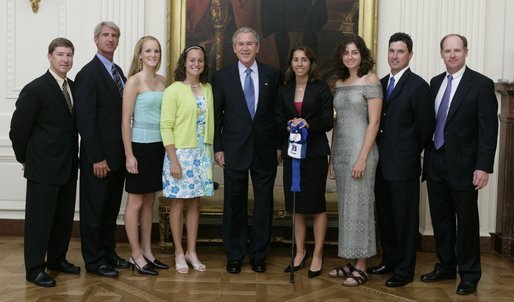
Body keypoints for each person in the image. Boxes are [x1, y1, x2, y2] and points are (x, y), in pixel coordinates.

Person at [420, 34, 498, 295]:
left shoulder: (481, 84)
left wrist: (483, 166)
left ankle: (469, 274)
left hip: (465, 166)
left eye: (457, 50)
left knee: (466, 222)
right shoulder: (435, 83)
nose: (452, 55)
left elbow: (488, 130)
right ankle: (445, 266)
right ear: (441, 54)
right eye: (447, 51)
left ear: (466, 52)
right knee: (440, 219)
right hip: (436, 161)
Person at [9, 37, 80, 287]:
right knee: (39, 221)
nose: (65, 59)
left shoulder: (73, 87)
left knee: (62, 218)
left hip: (69, 165)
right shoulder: (36, 88)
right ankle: (35, 269)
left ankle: (57, 260)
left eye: (69, 55)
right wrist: (26, 159)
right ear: (49, 56)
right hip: (42, 167)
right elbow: (18, 130)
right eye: (60, 54)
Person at [367, 32, 435, 287]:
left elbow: (425, 128)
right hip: (381, 164)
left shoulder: (418, 86)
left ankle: (405, 270)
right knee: (385, 216)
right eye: (391, 51)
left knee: (405, 220)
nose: (395, 56)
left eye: (400, 51)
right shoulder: (380, 83)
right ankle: (390, 260)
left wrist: (407, 150)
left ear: (410, 55)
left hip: (404, 164)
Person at [212, 27, 281, 274]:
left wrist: (278, 146)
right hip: (233, 150)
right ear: (233, 48)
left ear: (258, 47)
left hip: (265, 150)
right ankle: (234, 255)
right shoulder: (221, 77)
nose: (245, 48)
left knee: (264, 205)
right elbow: (217, 117)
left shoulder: (272, 75)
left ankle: (260, 255)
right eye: (240, 44)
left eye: (250, 44)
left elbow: (277, 114)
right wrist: (218, 148)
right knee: (234, 204)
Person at [75, 21, 129, 278]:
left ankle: (109, 253)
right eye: (105, 35)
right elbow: (85, 120)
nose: (110, 39)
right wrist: (96, 157)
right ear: (96, 40)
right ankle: (95, 261)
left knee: (110, 210)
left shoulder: (117, 71)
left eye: (114, 35)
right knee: (94, 212)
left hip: (118, 157)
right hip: (98, 159)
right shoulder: (88, 73)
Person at [327, 34, 382, 287]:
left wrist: (362, 158)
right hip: (341, 153)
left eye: (355, 52)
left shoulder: (370, 79)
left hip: (362, 152)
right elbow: (338, 123)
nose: (350, 57)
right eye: (346, 52)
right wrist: (332, 157)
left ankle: (362, 266)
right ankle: (351, 259)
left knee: (361, 208)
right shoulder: (339, 83)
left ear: (362, 55)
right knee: (347, 209)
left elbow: (375, 121)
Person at [275, 45, 333, 278]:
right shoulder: (284, 90)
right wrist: (288, 125)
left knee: (316, 206)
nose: (299, 64)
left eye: (304, 59)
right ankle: (300, 252)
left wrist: (309, 124)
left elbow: (327, 120)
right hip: (292, 155)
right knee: (296, 206)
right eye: (295, 60)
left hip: (315, 155)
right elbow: (277, 120)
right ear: (290, 63)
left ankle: (317, 255)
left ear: (311, 63)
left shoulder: (321, 89)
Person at [161, 45, 214, 274]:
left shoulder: (208, 88)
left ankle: (192, 252)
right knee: (178, 203)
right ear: (184, 62)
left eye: (200, 60)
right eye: (192, 60)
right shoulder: (173, 90)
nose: (196, 64)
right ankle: (179, 252)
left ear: (204, 63)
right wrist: (173, 160)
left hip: (202, 154)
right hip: (180, 154)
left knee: (195, 203)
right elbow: (166, 126)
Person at [121, 36, 168, 276]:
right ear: (140, 54)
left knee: (150, 200)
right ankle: (135, 254)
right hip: (138, 146)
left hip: (158, 148)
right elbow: (125, 122)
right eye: (148, 50)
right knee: (136, 202)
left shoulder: (163, 81)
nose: (153, 54)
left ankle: (148, 251)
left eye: (156, 51)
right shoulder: (133, 82)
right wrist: (129, 155)